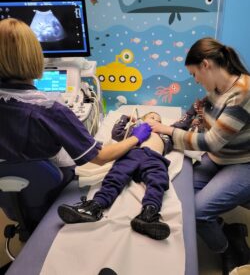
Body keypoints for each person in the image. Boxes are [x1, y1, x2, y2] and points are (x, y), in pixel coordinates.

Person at [0, 18, 151, 218]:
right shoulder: (49, 110)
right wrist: (136, 137)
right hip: (50, 188)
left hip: (9, 199)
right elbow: (101, 157)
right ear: (35, 56)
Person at [146, 37, 250, 274]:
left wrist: (167, 131)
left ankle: (227, 249)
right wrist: (174, 128)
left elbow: (212, 141)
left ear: (206, 65)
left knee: (198, 212)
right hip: (220, 159)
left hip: (243, 162)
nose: (195, 80)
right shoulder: (216, 89)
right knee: (182, 198)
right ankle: (228, 230)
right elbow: (196, 117)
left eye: (194, 74)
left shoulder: (243, 93)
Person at [58, 112, 173, 240]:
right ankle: (94, 207)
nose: (155, 121)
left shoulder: (165, 135)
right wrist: (126, 118)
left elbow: (180, 129)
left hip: (154, 158)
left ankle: (149, 214)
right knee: (115, 176)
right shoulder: (134, 131)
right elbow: (116, 133)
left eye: (159, 120)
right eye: (151, 118)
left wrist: (191, 113)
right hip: (132, 154)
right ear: (142, 120)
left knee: (158, 181)